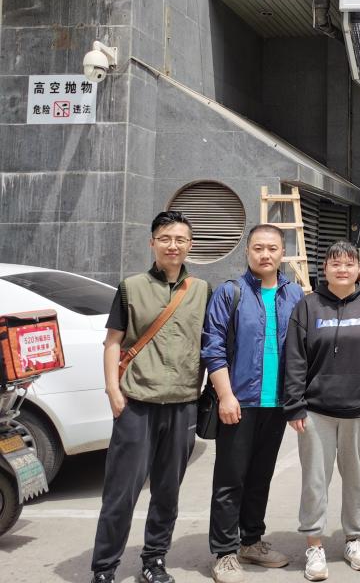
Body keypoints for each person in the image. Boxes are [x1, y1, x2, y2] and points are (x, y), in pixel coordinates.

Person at [90, 211, 211, 583]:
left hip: (182, 404)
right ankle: (104, 568)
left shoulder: (203, 290)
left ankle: (154, 560)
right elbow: (113, 342)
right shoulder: (131, 287)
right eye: (165, 238)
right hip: (137, 403)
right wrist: (113, 390)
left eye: (180, 239)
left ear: (190, 245)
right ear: (152, 242)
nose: (173, 246)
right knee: (121, 491)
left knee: (167, 491)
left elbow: (211, 345)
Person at [283, 241, 360, 582]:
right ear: (325, 268)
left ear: (359, 269)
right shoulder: (307, 306)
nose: (342, 269)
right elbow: (295, 359)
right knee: (315, 481)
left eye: (349, 263)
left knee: (357, 479)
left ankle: (354, 539)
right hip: (316, 411)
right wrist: (294, 405)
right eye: (335, 263)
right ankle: (314, 544)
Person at [201, 224, 305, 583]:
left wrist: (297, 399)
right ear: (247, 251)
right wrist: (225, 395)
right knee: (230, 479)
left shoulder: (294, 294)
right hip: (239, 401)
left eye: (272, 248)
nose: (265, 254)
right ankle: (224, 553)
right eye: (258, 248)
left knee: (260, 476)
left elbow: (303, 348)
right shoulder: (231, 292)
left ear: (282, 253)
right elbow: (213, 346)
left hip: (276, 403)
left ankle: (251, 541)